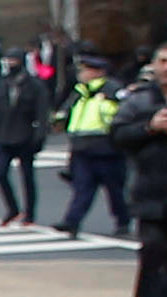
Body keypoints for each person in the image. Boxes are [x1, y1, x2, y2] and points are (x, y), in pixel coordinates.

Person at [115, 44, 167, 297]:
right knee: (152, 248)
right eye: (163, 61)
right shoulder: (139, 100)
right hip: (150, 187)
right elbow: (119, 135)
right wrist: (150, 127)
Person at [55, 54, 129, 234]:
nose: (81, 73)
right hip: (82, 148)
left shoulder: (111, 90)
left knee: (115, 190)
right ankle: (72, 222)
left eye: (85, 70)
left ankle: (123, 220)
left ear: (98, 72)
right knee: (82, 188)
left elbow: (122, 114)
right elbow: (68, 112)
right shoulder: (81, 91)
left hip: (106, 149)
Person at [0, 50, 49, 223]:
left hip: (25, 134)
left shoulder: (34, 85)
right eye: (8, 60)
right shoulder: (3, 83)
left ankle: (30, 212)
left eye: (13, 59)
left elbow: (42, 112)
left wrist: (40, 135)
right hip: (4, 134)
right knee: (0, 173)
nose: (10, 63)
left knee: (27, 177)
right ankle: (13, 208)